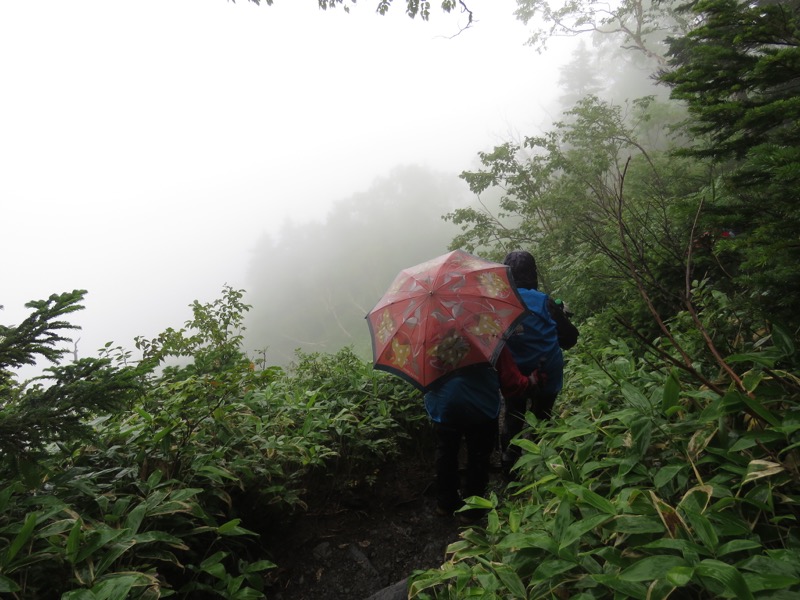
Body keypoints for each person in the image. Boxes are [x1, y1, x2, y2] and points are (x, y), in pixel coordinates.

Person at [424, 345, 536, 518]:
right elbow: (511, 382)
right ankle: (472, 511)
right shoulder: (489, 336)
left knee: (446, 451)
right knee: (479, 455)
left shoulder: (430, 340)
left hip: (444, 406)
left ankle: (445, 503)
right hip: (481, 406)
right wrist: (531, 381)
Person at [500, 250, 579, 470]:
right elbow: (569, 339)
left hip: (514, 375)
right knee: (542, 417)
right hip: (546, 373)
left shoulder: (499, 305)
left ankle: (510, 466)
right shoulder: (546, 302)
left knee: (512, 418)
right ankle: (540, 466)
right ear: (532, 272)